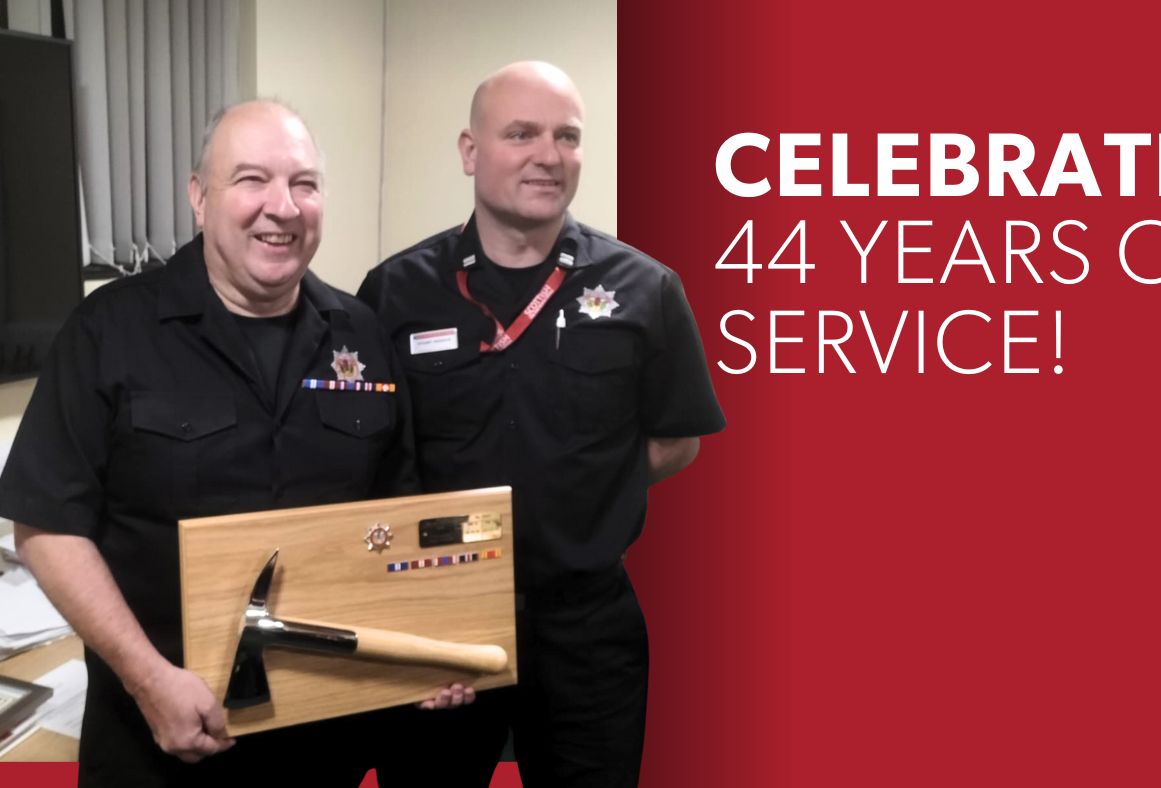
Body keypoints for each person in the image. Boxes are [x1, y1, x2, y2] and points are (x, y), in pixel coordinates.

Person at [0, 100, 465, 787]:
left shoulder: (361, 333)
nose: (281, 207)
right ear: (199, 197)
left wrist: (422, 646)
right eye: (251, 179)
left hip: (322, 738)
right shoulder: (110, 330)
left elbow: (393, 517)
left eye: (303, 184)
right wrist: (148, 678)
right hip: (157, 736)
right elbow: (46, 524)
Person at [357, 61, 726, 787]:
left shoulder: (645, 290)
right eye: (521, 133)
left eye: (567, 137)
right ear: (470, 151)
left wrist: (583, 480)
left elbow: (672, 438)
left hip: (584, 625)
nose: (547, 155)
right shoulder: (396, 292)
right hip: (436, 620)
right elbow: (372, 450)